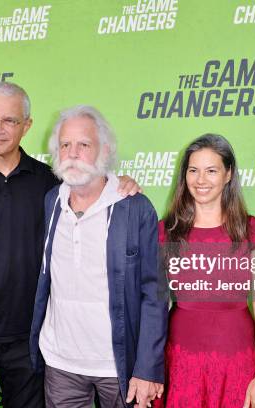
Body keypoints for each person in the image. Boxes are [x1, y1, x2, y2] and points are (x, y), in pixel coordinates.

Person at [0, 82, 140, 408]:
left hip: (31, 342)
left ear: (27, 126)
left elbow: (91, 187)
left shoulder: (49, 182)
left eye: (9, 120)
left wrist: (121, 182)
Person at [29, 105, 168, 408]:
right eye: (65, 145)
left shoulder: (135, 207)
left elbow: (155, 295)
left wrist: (147, 368)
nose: (73, 153)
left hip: (118, 366)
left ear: (104, 150)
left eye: (84, 144)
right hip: (61, 364)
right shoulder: (51, 202)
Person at [156, 134, 255, 408]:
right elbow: (154, 306)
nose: (201, 180)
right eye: (193, 170)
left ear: (228, 174)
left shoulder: (251, 230)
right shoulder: (165, 232)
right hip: (181, 362)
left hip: (239, 362)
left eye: (211, 171)